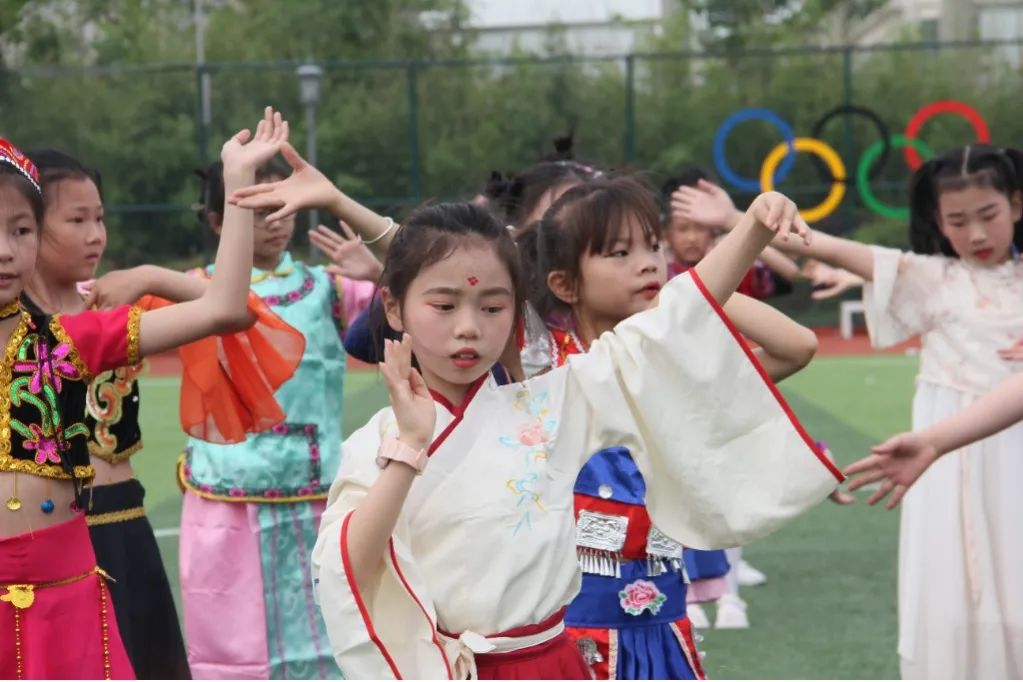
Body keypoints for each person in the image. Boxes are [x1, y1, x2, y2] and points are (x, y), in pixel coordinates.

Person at [308, 182, 841, 678]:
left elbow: (666, 324)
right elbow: (348, 568)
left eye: (493, 306)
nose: (468, 326)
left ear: (517, 311)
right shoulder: (377, 442)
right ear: (394, 307)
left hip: (556, 661)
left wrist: (752, 226)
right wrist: (410, 448)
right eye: (444, 306)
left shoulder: (554, 401)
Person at [678, 143, 1023, 679]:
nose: (976, 233)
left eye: (989, 215)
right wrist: (734, 219)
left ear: (1017, 205)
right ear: (938, 221)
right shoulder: (932, 277)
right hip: (948, 466)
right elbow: (830, 247)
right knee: (956, 584)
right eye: (958, 220)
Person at [0, 106, 288, 679]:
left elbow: (227, 308)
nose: (5, 250)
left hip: (70, 593)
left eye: (20, 230)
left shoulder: (68, 341)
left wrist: (236, 184)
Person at [88, 144, 381, 679]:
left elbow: (417, 308)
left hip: (317, 498)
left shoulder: (329, 289)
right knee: (229, 649)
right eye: (256, 212)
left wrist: (379, 271)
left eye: (281, 209)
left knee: (334, 641)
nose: (274, 224)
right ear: (217, 221)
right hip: (226, 500)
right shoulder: (186, 293)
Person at [533, 176, 820, 678]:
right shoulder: (543, 368)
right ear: (564, 284)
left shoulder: (673, 375)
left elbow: (796, 347)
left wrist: (690, 293)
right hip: (566, 638)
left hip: (664, 630)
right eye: (619, 252)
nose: (647, 262)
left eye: (652, 246)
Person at [19, 148, 190, 678]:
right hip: (60, 538)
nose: (96, 235)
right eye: (76, 220)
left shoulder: (113, 303)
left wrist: (152, 274)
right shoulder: (14, 328)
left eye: (101, 219)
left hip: (129, 524)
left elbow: (236, 311)